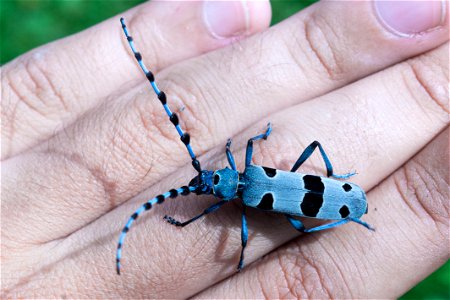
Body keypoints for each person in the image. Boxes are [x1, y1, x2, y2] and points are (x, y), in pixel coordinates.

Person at [1, 1, 448, 298]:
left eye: (208, 181)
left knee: (299, 219)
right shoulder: (249, 186)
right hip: (321, 195)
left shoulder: (246, 194)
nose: (204, 183)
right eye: (209, 180)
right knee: (299, 189)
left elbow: (213, 202)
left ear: (224, 179)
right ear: (225, 175)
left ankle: (343, 197)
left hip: (330, 198)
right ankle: (344, 200)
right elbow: (228, 178)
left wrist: (231, 244)